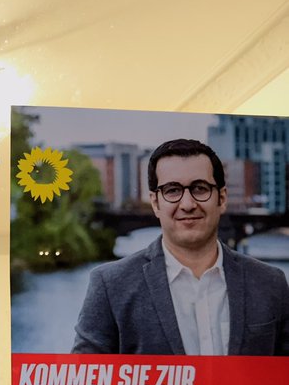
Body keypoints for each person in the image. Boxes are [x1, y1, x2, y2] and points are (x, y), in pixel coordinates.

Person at [72, 138, 289, 354]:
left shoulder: (271, 284)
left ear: (221, 199)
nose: (187, 204)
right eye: (172, 190)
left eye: (200, 188)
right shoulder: (110, 286)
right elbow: (82, 382)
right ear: (156, 203)